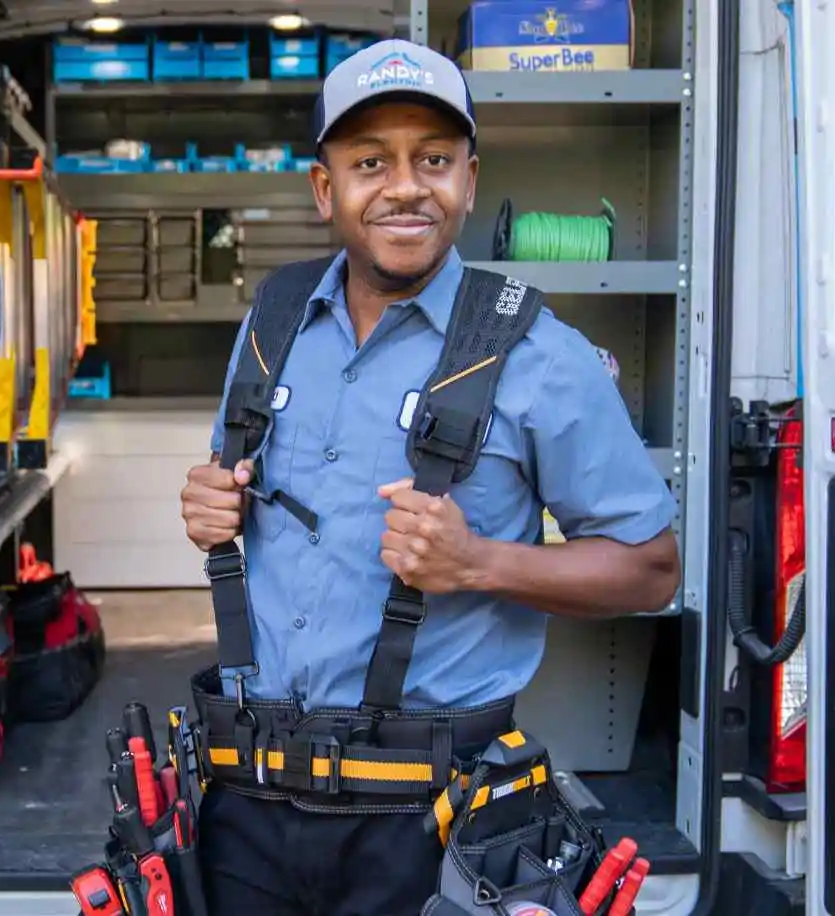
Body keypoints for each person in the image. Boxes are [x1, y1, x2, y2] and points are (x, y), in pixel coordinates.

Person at [177, 38, 682, 915]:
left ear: (470, 180)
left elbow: (650, 566)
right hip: (241, 812)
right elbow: (238, 491)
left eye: (433, 160)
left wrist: (478, 564)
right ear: (324, 189)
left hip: (430, 827)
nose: (405, 186)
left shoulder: (535, 354)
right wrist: (209, 504)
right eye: (370, 161)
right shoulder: (271, 321)